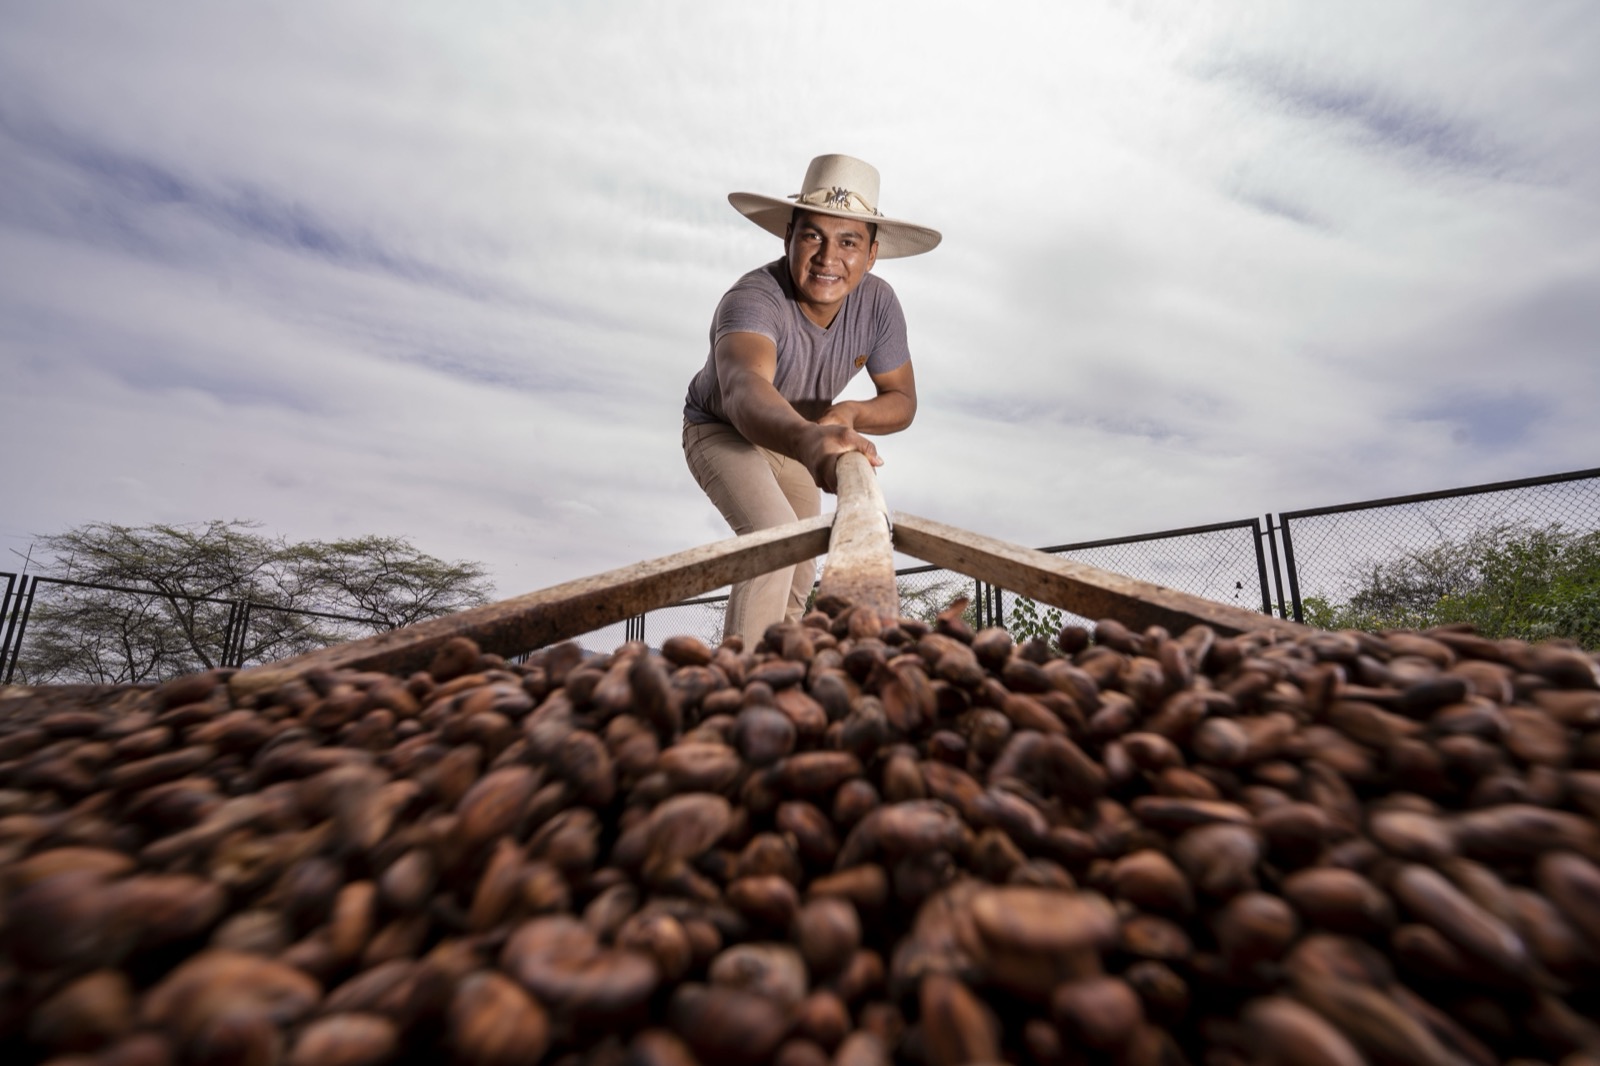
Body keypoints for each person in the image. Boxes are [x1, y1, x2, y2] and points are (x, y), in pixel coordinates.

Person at [681, 154, 941, 645]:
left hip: (798, 440)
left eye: (848, 242)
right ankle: (740, 685)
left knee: (801, 564)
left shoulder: (879, 304)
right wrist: (809, 437)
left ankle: (780, 669)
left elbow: (902, 398)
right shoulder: (754, 297)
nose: (827, 258)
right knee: (776, 536)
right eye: (812, 236)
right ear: (788, 237)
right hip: (722, 430)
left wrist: (848, 413)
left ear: (871, 254)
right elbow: (742, 390)